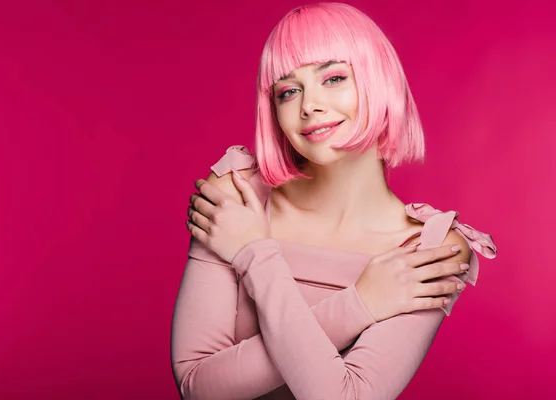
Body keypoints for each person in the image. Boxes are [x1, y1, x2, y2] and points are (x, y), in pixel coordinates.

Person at [170, 2, 497, 399]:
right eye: (288, 91)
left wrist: (254, 253)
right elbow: (197, 387)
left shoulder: (431, 249)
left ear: (378, 80)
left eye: (334, 78)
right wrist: (361, 304)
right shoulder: (237, 194)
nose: (309, 106)